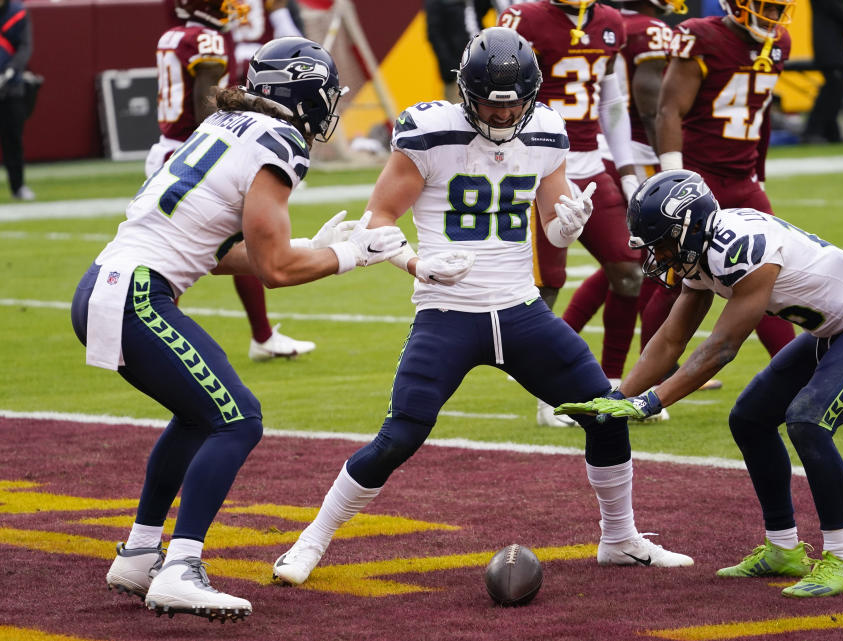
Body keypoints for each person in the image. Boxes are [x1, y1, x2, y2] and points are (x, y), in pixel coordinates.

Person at [270, 27, 692, 587]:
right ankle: (311, 540)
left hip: (520, 310)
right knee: (401, 435)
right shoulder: (429, 131)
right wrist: (417, 266)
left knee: (605, 411)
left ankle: (620, 539)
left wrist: (565, 225)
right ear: (465, 93)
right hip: (448, 311)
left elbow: (554, 222)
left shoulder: (545, 131)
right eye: (492, 104)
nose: (504, 114)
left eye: (515, 101)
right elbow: (377, 221)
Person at [71, 37, 407, 621]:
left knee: (198, 415)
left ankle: (140, 553)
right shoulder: (280, 139)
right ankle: (180, 567)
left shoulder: (225, 124)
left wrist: (313, 247)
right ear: (301, 93)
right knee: (238, 419)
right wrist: (354, 254)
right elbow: (274, 270)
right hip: (137, 295)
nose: (328, 107)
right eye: (324, 94)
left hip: (106, 284)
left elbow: (223, 251)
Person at [556, 169, 843, 597]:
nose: (659, 255)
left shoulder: (739, 246)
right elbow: (670, 340)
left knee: (808, 422)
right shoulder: (702, 251)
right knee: (749, 419)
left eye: (664, 243)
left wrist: (652, 401)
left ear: (690, 227)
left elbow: (722, 347)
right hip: (830, 333)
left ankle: (840, 557)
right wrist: (619, 397)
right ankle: (783, 548)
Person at [561, 0, 720, 401]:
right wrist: (667, 165)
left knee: (627, 264)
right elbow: (650, 106)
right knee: (648, 262)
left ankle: (572, 347)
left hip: (610, 149)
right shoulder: (648, 27)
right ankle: (654, 369)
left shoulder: (616, 24)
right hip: (636, 153)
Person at [499, 0, 646, 427]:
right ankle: (548, 396)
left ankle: (616, 381)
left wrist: (628, 171)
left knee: (629, 270)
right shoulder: (524, 19)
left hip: (589, 163)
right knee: (545, 289)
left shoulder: (610, 22)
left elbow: (611, 103)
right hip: (538, 166)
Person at [149, 0, 317, 362]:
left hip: (173, 150)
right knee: (184, 249)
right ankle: (150, 332)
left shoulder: (174, 35)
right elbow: (206, 109)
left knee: (228, 241)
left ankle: (262, 335)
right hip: (194, 154)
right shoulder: (206, 40)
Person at [655, 0, 797, 358]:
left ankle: (797, 373)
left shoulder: (779, 42)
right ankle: (652, 379)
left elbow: (760, 113)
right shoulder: (700, 35)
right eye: (768, 7)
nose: (775, 17)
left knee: (767, 276)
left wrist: (759, 176)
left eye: (780, 9)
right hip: (700, 179)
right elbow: (669, 109)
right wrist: (675, 179)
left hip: (743, 179)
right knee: (675, 281)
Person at [801, 0, 843, 144]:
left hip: (827, 48)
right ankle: (812, 131)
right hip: (832, 49)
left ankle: (830, 133)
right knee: (832, 92)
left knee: (834, 92)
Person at [0, 0, 33, 201]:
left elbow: (25, 46)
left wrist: (10, 71)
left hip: (11, 88)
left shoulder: (18, 13)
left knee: (13, 139)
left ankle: (18, 186)